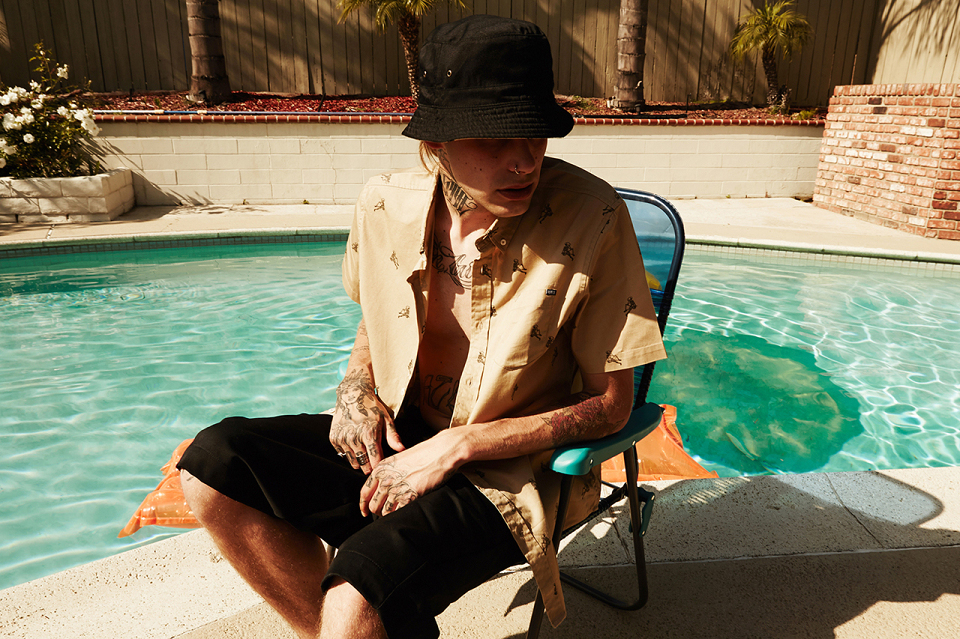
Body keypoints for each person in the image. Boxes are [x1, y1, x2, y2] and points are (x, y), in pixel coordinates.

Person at [178, 14, 666, 639]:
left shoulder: (593, 217)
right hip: (400, 440)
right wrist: (356, 388)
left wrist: (459, 445)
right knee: (213, 467)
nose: (524, 161)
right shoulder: (384, 202)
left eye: (536, 134)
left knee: (357, 595)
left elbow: (611, 405)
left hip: (510, 472)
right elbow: (374, 315)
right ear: (434, 143)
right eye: (494, 139)